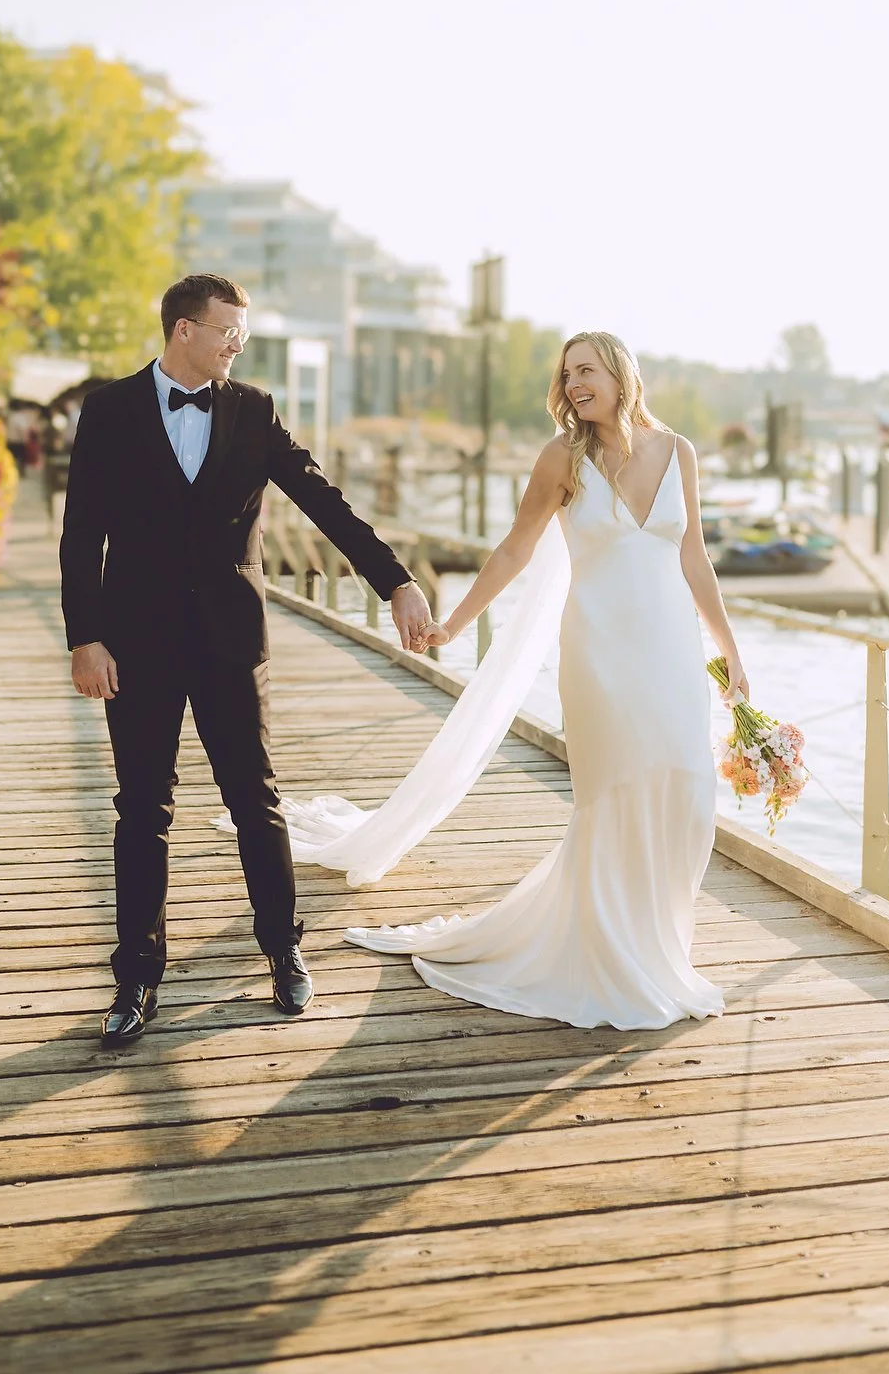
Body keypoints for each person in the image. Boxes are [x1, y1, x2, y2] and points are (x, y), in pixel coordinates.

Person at [280, 331, 749, 1032]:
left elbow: (694, 557)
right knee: (616, 793)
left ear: (622, 373)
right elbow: (514, 550)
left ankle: (659, 945)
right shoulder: (562, 459)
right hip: (601, 653)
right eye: (569, 375)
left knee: (684, 786)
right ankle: (613, 956)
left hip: (671, 654)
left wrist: (730, 651)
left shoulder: (678, 451)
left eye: (587, 370)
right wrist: (456, 623)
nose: (577, 384)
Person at [59, 272, 432, 1046]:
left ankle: (283, 949)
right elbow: (81, 532)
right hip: (137, 642)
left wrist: (394, 581)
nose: (239, 342)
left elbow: (323, 500)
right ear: (183, 331)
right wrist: (84, 636)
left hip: (230, 641)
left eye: (243, 331)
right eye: (228, 329)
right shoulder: (109, 409)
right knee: (142, 809)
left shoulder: (253, 409)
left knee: (255, 801)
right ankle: (135, 977)